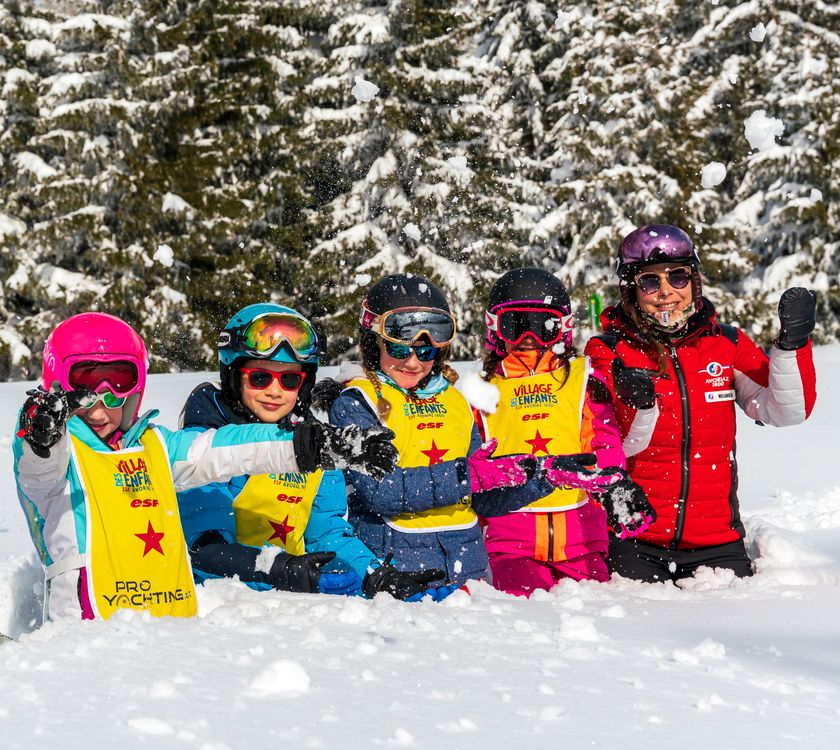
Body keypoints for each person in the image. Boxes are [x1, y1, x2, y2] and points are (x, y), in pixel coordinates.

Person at [13, 312, 397, 621]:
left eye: (118, 388)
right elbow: (36, 469)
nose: (101, 407)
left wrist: (314, 446)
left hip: (173, 628)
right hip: (89, 634)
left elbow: (227, 449)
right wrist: (39, 434)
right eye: (85, 390)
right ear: (58, 385)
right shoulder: (58, 460)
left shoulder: (156, 447)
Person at [324, 273, 624, 590]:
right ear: (373, 344)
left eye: (425, 351)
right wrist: (473, 474)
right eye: (400, 350)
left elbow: (480, 500)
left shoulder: (453, 400)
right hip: (397, 573)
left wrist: (540, 476)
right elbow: (381, 491)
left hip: (467, 574)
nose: (413, 362)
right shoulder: (355, 404)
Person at [584, 224, 817, 583]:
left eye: (677, 277)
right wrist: (638, 405)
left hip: (717, 543)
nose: (665, 293)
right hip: (636, 539)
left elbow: (786, 412)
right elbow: (611, 444)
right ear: (632, 291)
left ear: (694, 281)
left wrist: (791, 346)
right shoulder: (609, 350)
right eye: (649, 282)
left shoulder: (726, 344)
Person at [178, 303, 443, 601]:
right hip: (219, 604)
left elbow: (326, 533)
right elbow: (201, 545)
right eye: (260, 378)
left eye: (290, 380)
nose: (275, 391)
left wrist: (376, 576)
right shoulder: (207, 445)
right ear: (234, 376)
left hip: (290, 606)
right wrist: (275, 567)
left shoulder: (313, 446)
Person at [474, 268, 656, 596]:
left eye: (544, 327)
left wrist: (610, 483)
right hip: (513, 542)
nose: (529, 338)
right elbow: (474, 467)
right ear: (495, 329)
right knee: (524, 620)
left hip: (582, 540)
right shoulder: (482, 392)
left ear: (564, 329)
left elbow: (605, 446)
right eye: (516, 326)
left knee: (594, 621)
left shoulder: (583, 383)